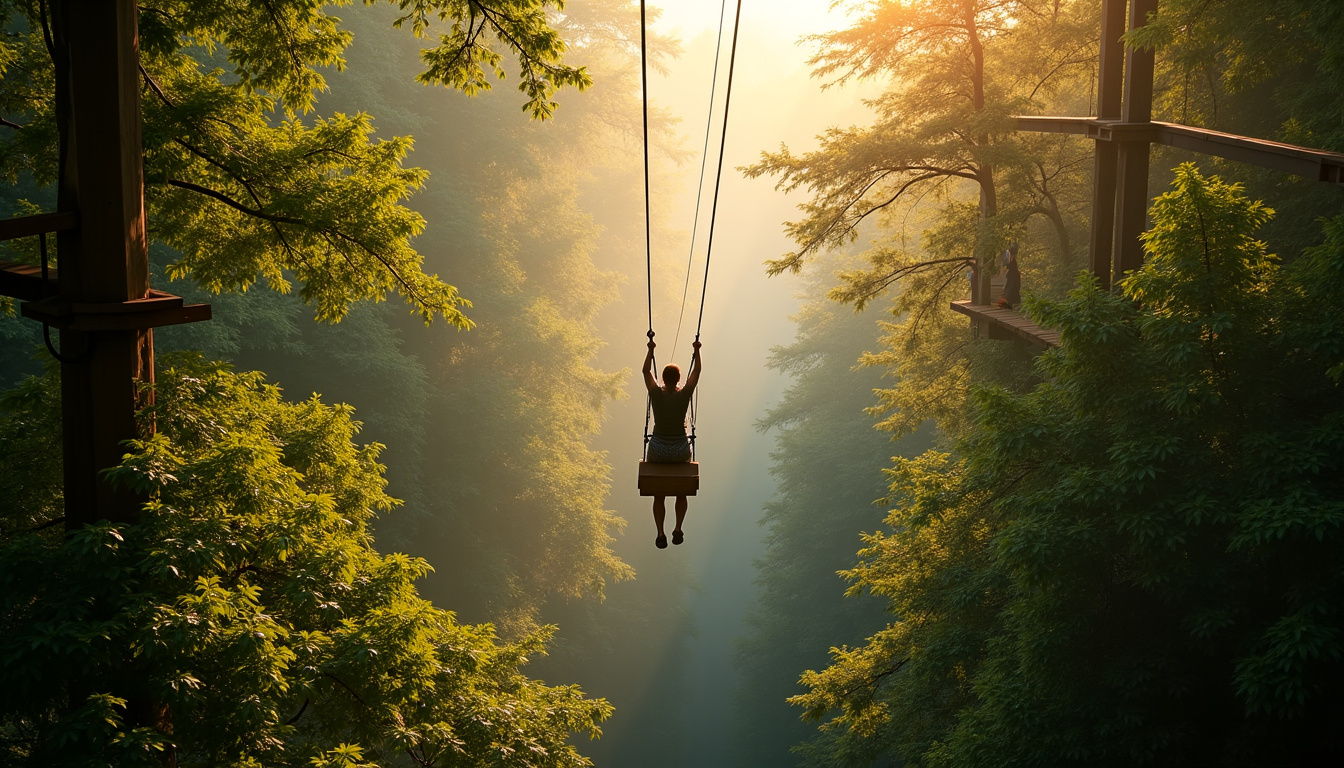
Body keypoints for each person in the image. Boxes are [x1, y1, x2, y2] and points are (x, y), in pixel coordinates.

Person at [642, 337, 702, 549]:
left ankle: (660, 532)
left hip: (658, 450)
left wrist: (650, 349)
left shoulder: (655, 394)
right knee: (681, 490)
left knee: (659, 493)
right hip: (679, 451)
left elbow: (645, 371)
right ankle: (677, 528)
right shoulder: (684, 395)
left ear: (663, 379)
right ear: (678, 379)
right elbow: (696, 373)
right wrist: (697, 350)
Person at [997, 243, 1021, 310]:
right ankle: (1009, 304)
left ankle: (1011, 304)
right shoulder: (1010, 257)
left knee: (1011, 290)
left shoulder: (1012, 259)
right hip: (1012, 276)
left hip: (1013, 277)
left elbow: (1011, 268)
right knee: (1009, 290)